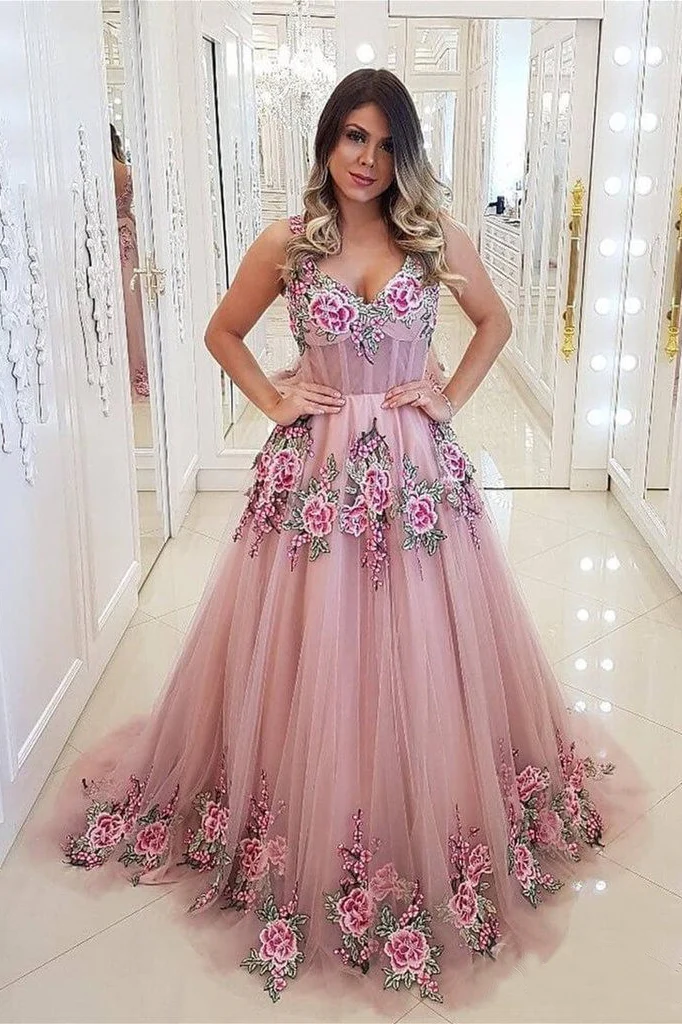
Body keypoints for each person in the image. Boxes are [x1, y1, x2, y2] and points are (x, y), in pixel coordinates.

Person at [58, 72, 643, 1009]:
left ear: (405, 153)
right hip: (316, 478)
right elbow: (222, 331)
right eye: (352, 138)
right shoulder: (289, 242)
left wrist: (447, 397)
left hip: (414, 475)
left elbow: (494, 321)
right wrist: (273, 398)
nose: (367, 160)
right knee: (309, 646)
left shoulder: (432, 237)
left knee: (425, 647)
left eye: (385, 142)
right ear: (328, 140)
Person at [111, 122, 150, 399]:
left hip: (103, 239)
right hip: (126, 235)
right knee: (131, 302)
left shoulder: (95, 172)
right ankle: (138, 367)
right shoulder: (127, 172)